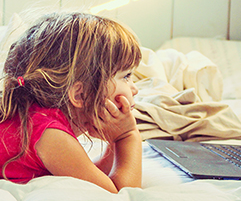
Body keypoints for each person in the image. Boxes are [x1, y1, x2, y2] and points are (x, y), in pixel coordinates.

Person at [0, 12, 142, 193]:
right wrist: (128, 136)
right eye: (126, 76)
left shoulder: (42, 121)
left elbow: (88, 177)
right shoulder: (50, 135)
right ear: (79, 95)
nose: (135, 89)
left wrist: (114, 141)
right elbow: (119, 194)